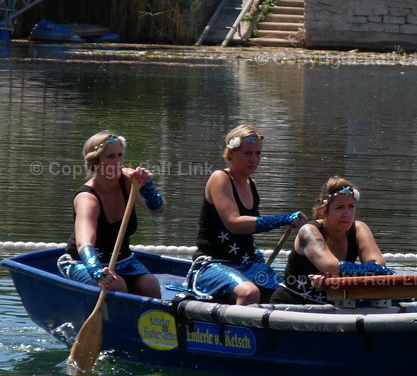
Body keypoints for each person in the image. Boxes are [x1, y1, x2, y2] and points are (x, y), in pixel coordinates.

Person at [191, 125, 306, 305]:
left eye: (258, 153)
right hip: (213, 265)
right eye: (248, 153)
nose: (254, 159)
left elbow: (247, 231)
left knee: (288, 294)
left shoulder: (251, 184)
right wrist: (282, 219)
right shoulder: (220, 178)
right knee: (249, 293)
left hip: (246, 263)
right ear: (231, 153)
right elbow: (234, 223)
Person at [60, 132, 164, 298]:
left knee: (149, 284)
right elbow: (84, 243)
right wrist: (96, 270)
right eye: (110, 157)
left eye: (120, 155)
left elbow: (157, 209)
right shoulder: (87, 198)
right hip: (84, 263)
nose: (118, 162)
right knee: (117, 284)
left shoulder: (128, 182)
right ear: (95, 163)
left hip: (123, 261)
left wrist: (147, 188)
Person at [271, 177, 393, 305]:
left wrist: (335, 275)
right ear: (324, 209)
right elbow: (332, 267)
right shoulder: (308, 232)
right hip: (292, 304)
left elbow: (380, 265)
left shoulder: (359, 229)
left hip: (334, 304)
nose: (347, 214)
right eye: (340, 207)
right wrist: (339, 272)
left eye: (351, 206)